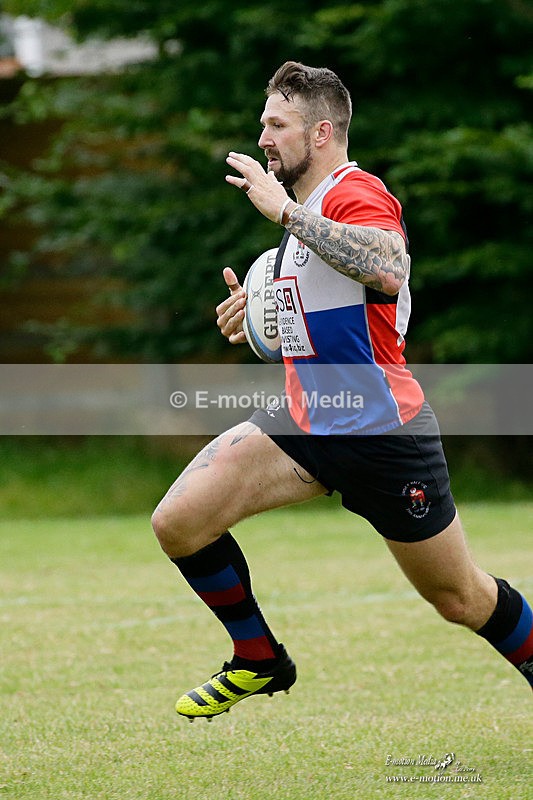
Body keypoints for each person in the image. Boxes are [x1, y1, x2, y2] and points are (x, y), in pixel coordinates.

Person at [151, 61, 533, 721]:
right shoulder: (303, 218)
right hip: (306, 421)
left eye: (277, 124)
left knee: (460, 600)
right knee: (179, 522)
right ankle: (258, 658)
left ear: (321, 131)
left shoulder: (355, 194)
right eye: (263, 123)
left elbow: (386, 269)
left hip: (382, 433)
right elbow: (325, 314)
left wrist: (286, 212)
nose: (263, 137)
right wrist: (259, 318)